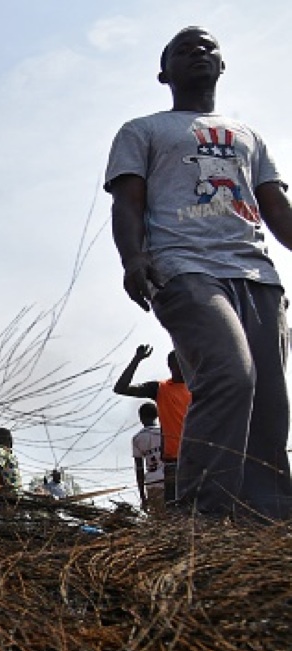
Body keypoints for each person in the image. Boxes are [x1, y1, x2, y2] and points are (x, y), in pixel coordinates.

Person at [106, 26, 292, 521]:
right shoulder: (142, 130)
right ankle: (201, 519)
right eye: (183, 50)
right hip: (184, 268)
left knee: (270, 403)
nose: (198, 53)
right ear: (164, 72)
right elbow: (127, 203)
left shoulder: (250, 136)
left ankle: (266, 523)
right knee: (232, 374)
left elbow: (276, 210)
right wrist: (133, 258)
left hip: (258, 277)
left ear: (222, 66)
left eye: (207, 47)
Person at [113, 345, 191, 501]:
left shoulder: (197, 387)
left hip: (197, 460)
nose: (183, 367)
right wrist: (137, 359)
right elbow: (121, 388)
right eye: (178, 363)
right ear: (170, 366)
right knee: (175, 514)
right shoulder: (160, 388)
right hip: (173, 464)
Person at [131, 402, 166, 515]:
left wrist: (142, 496)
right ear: (157, 415)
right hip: (169, 480)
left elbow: (139, 469)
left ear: (140, 418)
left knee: (158, 520)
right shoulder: (166, 433)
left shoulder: (137, 438)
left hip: (152, 483)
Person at [0, 428, 23, 507]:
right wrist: (3, 485)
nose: (11, 440)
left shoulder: (8, 454)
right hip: (9, 495)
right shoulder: (2, 452)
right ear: (4, 439)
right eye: (9, 437)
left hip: (13, 495)